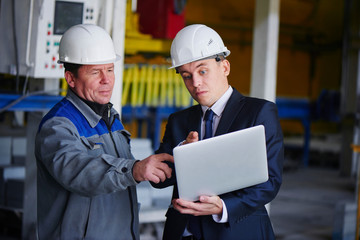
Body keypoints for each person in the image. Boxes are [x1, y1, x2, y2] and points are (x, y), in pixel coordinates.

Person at [35, 24, 173, 240]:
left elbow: (121, 174)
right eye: (95, 72)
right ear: (71, 78)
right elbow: (79, 171)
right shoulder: (58, 126)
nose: (106, 79)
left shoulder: (110, 118)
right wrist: (134, 170)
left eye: (109, 70)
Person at [151, 24, 284, 240]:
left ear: (225, 67)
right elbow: (160, 180)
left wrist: (223, 207)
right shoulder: (179, 121)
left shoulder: (259, 113)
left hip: (236, 232)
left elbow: (270, 181)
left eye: (203, 71)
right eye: (186, 75)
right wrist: (182, 156)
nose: (195, 83)